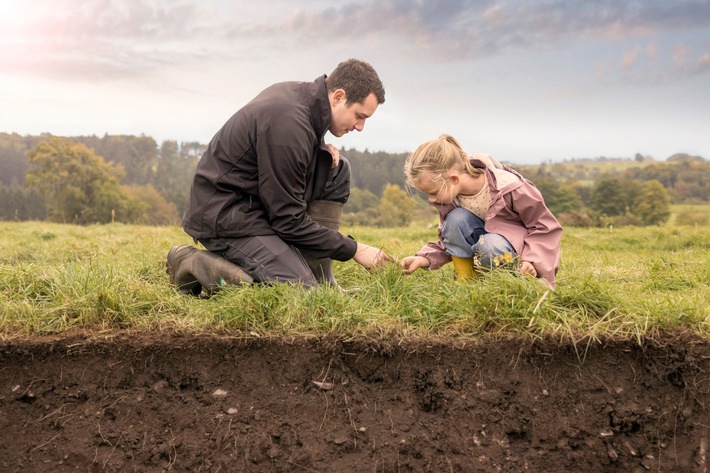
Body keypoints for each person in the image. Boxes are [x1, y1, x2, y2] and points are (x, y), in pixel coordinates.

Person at [166, 59, 392, 295]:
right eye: (359, 115)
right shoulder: (289, 123)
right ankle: (193, 262)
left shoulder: (305, 100)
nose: (360, 127)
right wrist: (355, 249)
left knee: (336, 168)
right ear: (338, 97)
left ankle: (320, 275)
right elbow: (288, 220)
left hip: (258, 205)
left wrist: (320, 149)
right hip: (226, 216)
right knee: (300, 293)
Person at [399, 134, 562, 289]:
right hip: (487, 245)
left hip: (518, 253)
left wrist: (532, 260)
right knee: (455, 219)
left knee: (490, 245)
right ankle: (467, 282)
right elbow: (450, 239)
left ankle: (510, 286)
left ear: (454, 179)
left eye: (433, 192)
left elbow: (544, 227)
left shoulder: (510, 187)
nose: (431, 199)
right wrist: (423, 258)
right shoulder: (452, 199)